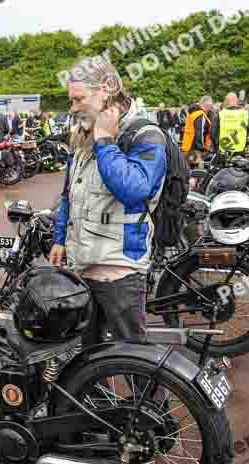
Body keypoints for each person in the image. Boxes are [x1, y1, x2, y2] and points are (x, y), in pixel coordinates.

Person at [49, 58, 166, 345]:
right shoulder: (82, 134)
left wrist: (105, 141)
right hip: (82, 264)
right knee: (88, 354)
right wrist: (60, 239)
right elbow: (69, 192)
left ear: (104, 90)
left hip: (120, 270)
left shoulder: (144, 134)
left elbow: (134, 190)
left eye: (78, 99)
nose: (73, 107)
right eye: (71, 100)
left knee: (131, 356)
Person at [181, 95, 213, 187]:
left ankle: (189, 187)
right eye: (210, 106)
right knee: (199, 172)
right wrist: (202, 149)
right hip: (196, 149)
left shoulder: (193, 113)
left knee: (190, 171)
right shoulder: (200, 115)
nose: (210, 109)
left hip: (188, 147)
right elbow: (200, 133)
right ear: (206, 105)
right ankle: (197, 188)